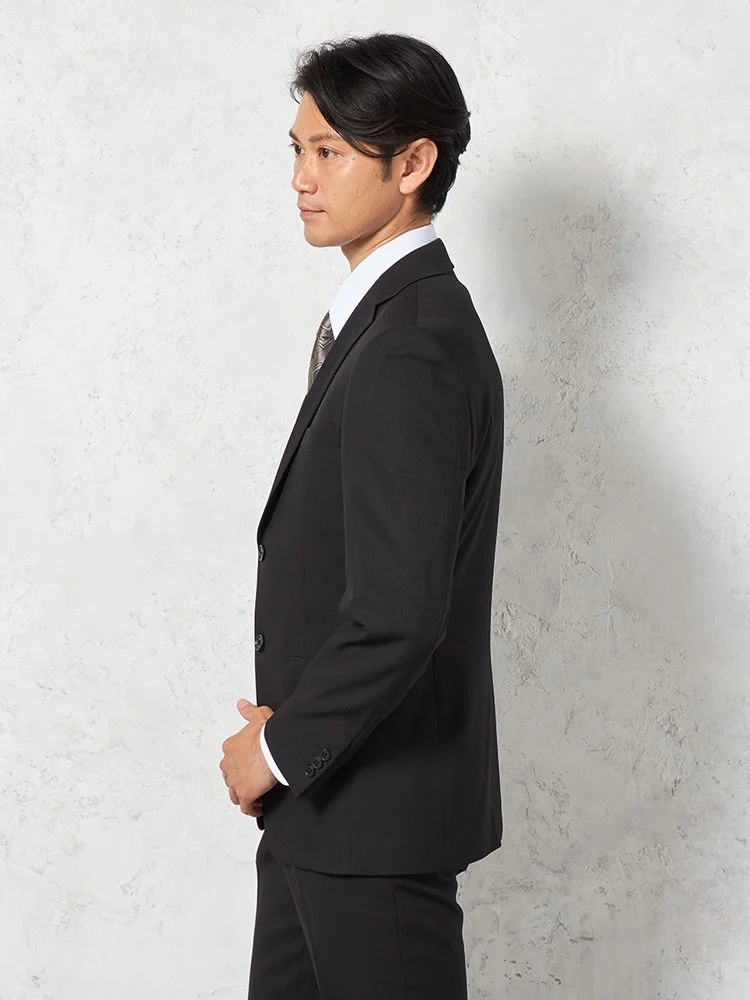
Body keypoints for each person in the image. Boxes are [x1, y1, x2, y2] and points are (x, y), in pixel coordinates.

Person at [218, 31, 504, 999]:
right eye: (297, 150)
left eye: (330, 151)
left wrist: (274, 749)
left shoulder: (411, 345)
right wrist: (290, 749)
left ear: (413, 163)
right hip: (324, 808)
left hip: (373, 822)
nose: (302, 178)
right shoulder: (381, 325)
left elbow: (398, 612)